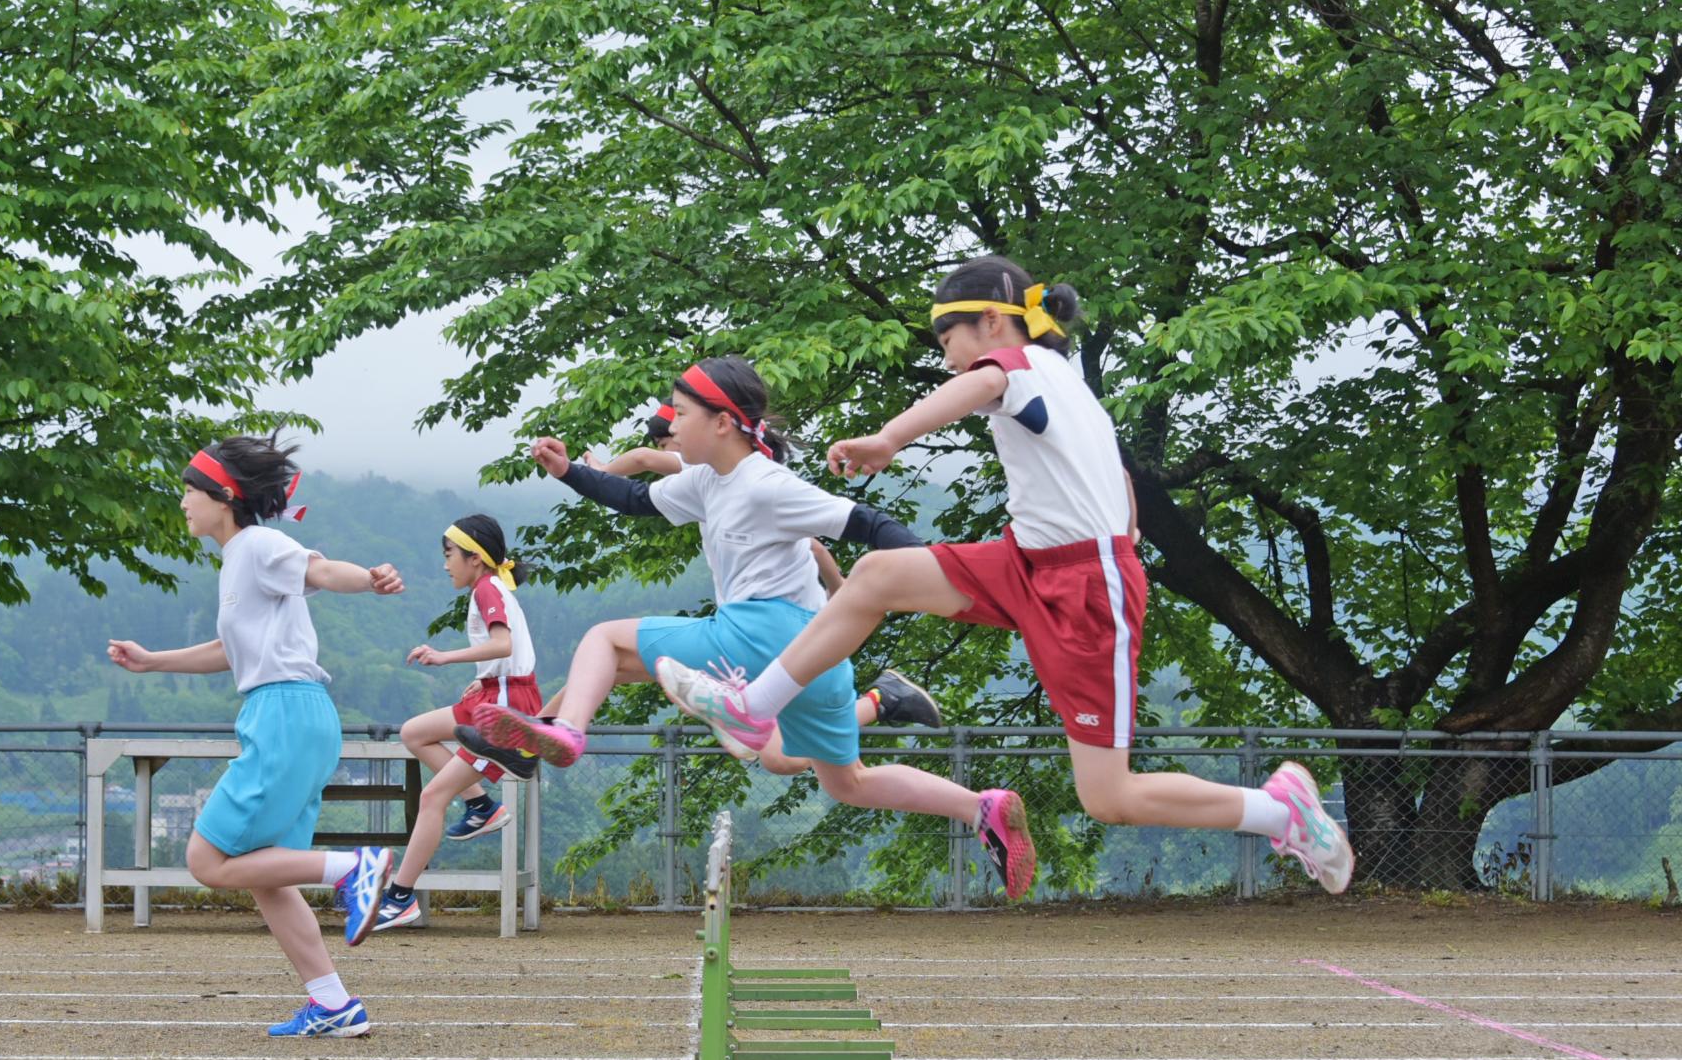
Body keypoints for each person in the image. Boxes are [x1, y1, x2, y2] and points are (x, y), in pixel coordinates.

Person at [657, 258, 1354, 895]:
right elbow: (1113, 477)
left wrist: (888, 439)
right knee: (874, 576)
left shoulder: (1016, 364)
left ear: (992, 319)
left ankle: (1278, 810)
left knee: (1109, 796)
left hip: (1085, 586)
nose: (948, 359)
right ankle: (756, 708)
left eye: (946, 342)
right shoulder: (1067, 386)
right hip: (1026, 559)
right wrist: (1122, 516)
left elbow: (984, 382)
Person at [467, 355, 1035, 889]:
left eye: (680, 414)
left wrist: (923, 572)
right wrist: (570, 472)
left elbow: (867, 521)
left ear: (721, 423)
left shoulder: (767, 484)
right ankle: (979, 805)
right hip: (819, 654)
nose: (671, 425)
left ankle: (564, 732)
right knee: (843, 780)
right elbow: (636, 497)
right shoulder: (706, 480)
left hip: (759, 632)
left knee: (604, 642)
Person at [106, 433, 403, 1036]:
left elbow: (320, 568)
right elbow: (230, 649)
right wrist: (153, 660)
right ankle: (332, 1004)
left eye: (189, 492)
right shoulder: (238, 559)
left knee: (207, 859)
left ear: (223, 495)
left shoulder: (259, 543)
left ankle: (353, 869)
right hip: (293, 712)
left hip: (284, 714)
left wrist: (370, 579)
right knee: (264, 872)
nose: (182, 503)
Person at [374, 514, 539, 931]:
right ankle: (481, 803)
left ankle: (400, 896)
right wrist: (480, 676)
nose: (446, 564)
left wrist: (444, 657)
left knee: (432, 798)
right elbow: (504, 652)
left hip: (505, 702)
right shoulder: (490, 586)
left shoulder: (486, 587)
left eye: (450, 555)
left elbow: (503, 643)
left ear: (476, 558)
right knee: (414, 732)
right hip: (495, 691)